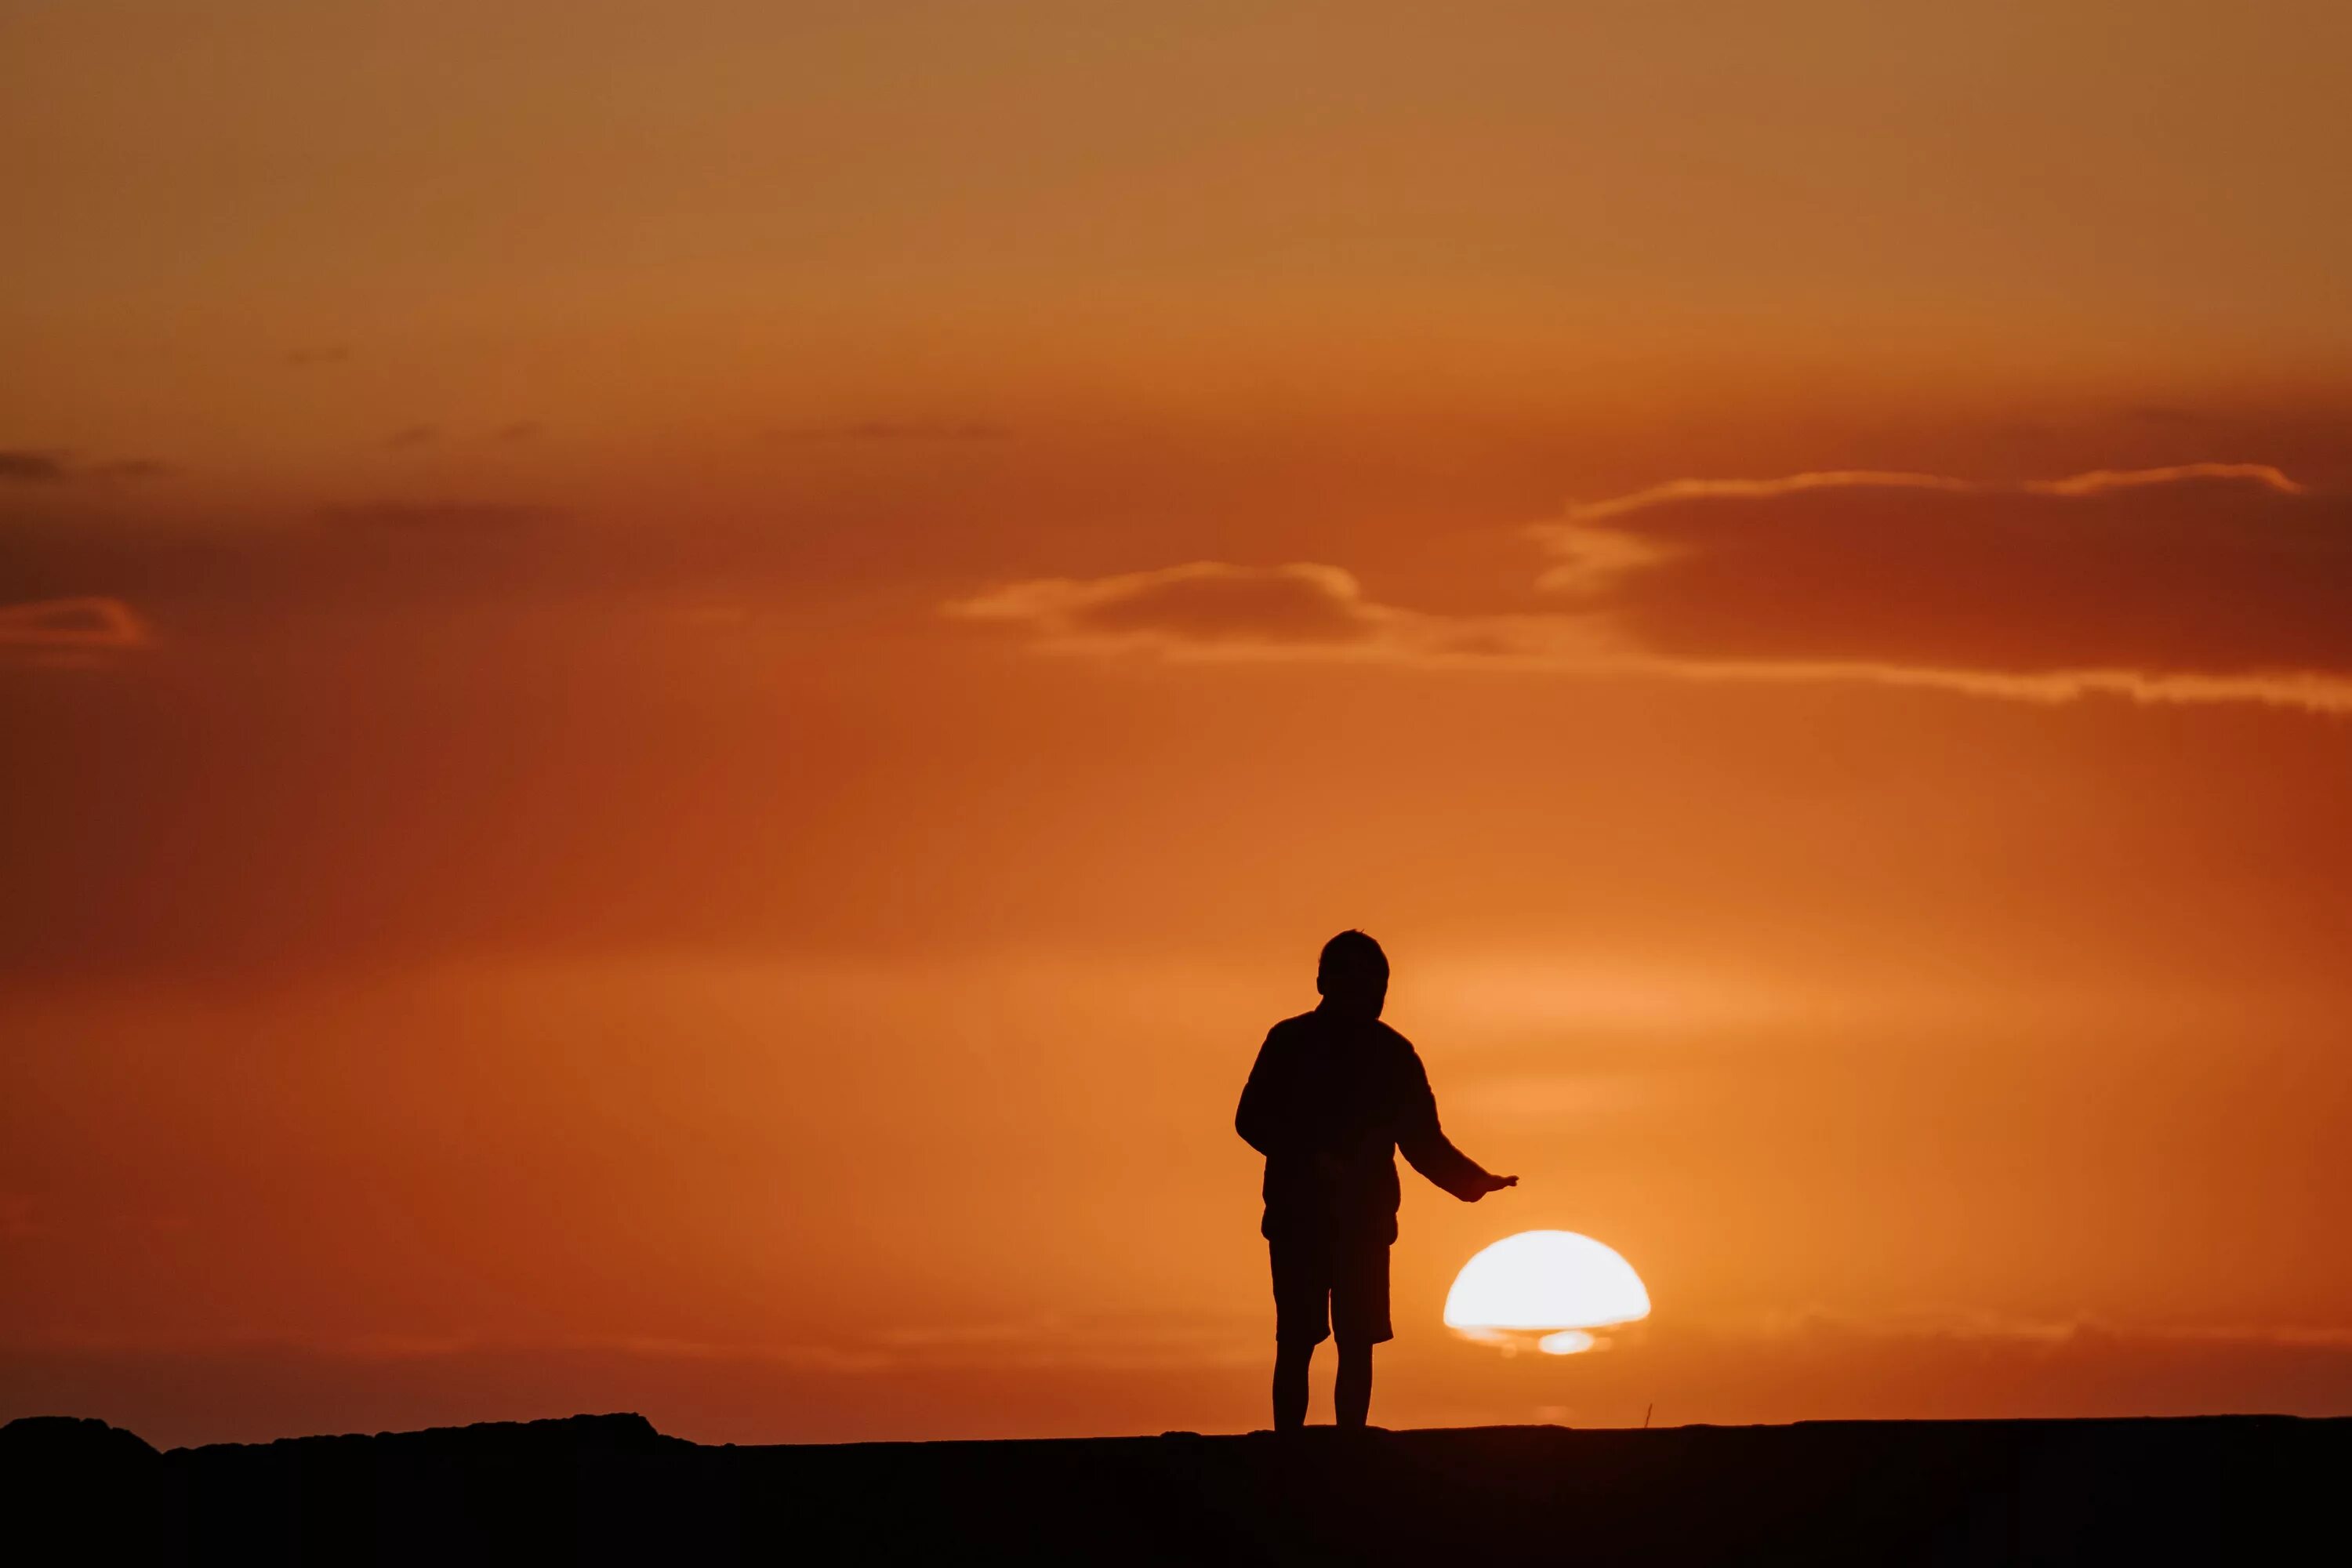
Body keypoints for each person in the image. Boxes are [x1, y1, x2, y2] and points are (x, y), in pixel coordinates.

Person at [1236, 930, 1517, 1431]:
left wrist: (1475, 1181)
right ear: (1324, 980)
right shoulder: (1289, 1041)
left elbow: (1421, 1139)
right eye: (1351, 976)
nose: (1366, 989)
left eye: (1375, 980)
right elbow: (1251, 1119)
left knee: (1357, 1339)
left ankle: (1351, 1448)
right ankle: (1286, 1450)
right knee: (1296, 1339)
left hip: (1365, 1223)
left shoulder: (1393, 1054)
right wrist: (1311, 1156)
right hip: (1298, 1218)